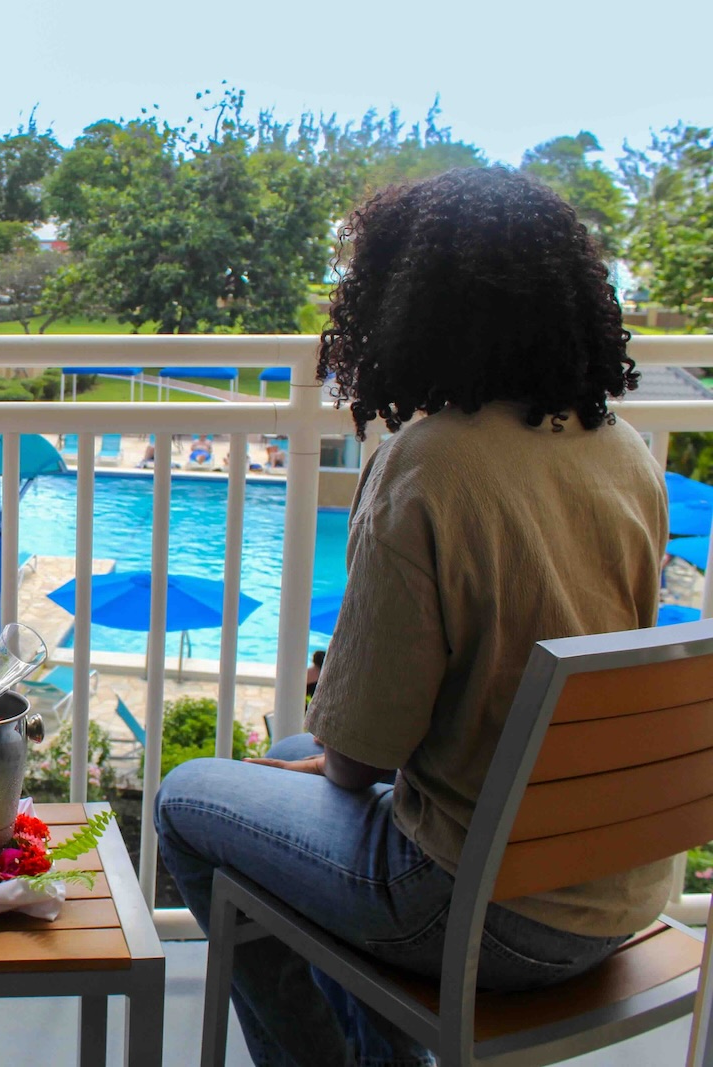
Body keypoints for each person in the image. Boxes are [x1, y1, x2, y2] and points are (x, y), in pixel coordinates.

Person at [154, 167, 669, 1067]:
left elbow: (359, 759)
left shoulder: (430, 463)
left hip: (482, 910)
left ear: (407, 304)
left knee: (184, 800)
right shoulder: (623, 453)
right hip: (616, 888)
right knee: (282, 762)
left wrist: (338, 753)